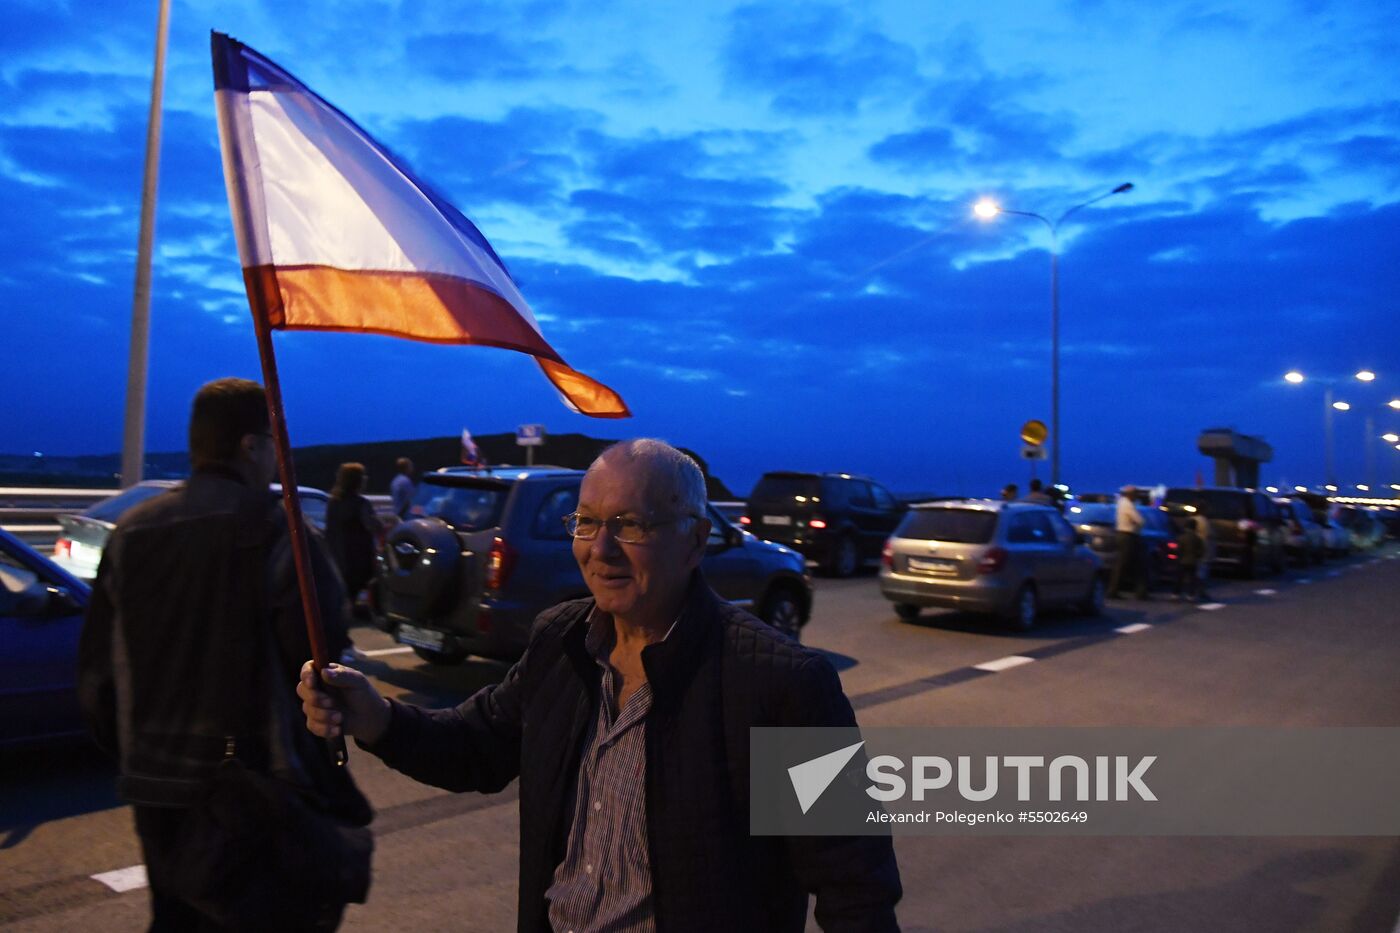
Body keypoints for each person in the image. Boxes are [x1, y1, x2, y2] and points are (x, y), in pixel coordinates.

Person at [298, 439, 903, 932]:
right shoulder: (561, 642)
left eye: (630, 525)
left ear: (695, 540)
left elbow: (856, 885)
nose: (601, 549)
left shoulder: (784, 685)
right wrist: (376, 716)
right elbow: (475, 746)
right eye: (586, 523)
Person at [77, 378, 369, 931]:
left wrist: (138, 758)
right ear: (251, 446)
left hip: (156, 790)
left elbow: (96, 680)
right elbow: (322, 665)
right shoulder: (283, 535)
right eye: (273, 443)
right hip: (257, 793)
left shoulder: (130, 535)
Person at [326, 462, 380, 603]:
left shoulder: (333, 503)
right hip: (358, 560)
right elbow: (372, 526)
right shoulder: (361, 504)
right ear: (358, 480)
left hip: (337, 558)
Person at [1108, 484, 1149, 600]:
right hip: (1128, 536)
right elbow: (1139, 520)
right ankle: (1115, 590)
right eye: (1136, 494)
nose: (1136, 497)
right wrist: (1141, 522)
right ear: (1131, 495)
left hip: (1123, 534)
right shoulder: (1128, 505)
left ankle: (1115, 590)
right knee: (1130, 564)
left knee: (1124, 564)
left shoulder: (1122, 503)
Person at [1173, 513, 1205, 601]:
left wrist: (1178, 557)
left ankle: (1176, 594)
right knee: (1192, 579)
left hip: (1182, 561)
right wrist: (1197, 556)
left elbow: (1178, 549)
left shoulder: (1182, 537)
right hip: (1193, 561)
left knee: (1179, 578)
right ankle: (1191, 595)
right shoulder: (1197, 538)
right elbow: (1202, 550)